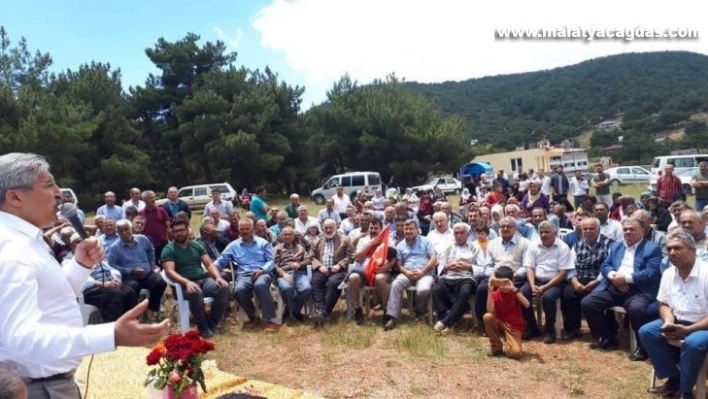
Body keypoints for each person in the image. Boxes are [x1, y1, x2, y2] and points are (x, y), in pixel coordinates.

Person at [0, 153, 168, 398]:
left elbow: (50, 301)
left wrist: (80, 265)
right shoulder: (11, 249)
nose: (60, 193)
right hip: (39, 388)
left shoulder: (25, 239)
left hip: (51, 383)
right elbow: (22, 339)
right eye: (49, 185)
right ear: (15, 197)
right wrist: (109, 334)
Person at [580, 217, 662, 361]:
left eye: (632, 229)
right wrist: (614, 276)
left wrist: (626, 278)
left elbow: (652, 273)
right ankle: (608, 336)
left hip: (638, 290)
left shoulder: (652, 248)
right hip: (614, 286)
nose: (628, 232)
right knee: (588, 303)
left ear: (641, 231)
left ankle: (643, 348)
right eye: (625, 229)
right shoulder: (616, 246)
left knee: (637, 309)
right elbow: (605, 265)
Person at [639, 230, 708, 399]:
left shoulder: (706, 273)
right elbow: (664, 304)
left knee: (693, 343)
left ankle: (685, 391)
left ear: (692, 250)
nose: (671, 253)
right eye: (669, 249)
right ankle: (674, 379)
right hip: (679, 321)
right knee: (647, 332)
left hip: (703, 326)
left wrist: (687, 329)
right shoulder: (669, 273)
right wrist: (669, 321)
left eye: (677, 248)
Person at [162, 219, 230, 338]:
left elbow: (209, 264)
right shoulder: (168, 249)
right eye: (176, 231)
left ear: (187, 230)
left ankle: (212, 323)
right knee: (195, 292)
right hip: (182, 285)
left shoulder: (196, 245)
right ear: (172, 232)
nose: (179, 233)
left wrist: (218, 277)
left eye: (182, 230)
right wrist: (187, 282)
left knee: (223, 288)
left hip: (202, 280)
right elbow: (170, 271)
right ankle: (202, 326)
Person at [215, 218, 281, 332]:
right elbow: (220, 261)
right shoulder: (233, 245)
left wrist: (261, 270)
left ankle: (272, 320)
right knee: (238, 291)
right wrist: (211, 269)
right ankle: (254, 317)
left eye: (247, 228)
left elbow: (271, 261)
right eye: (242, 229)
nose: (244, 231)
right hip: (244, 275)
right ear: (239, 230)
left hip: (262, 273)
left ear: (252, 229)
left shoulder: (263, 243)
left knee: (260, 285)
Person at [106, 219, 166, 321]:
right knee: (133, 288)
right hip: (129, 277)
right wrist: (129, 270)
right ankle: (135, 315)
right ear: (117, 232)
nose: (124, 232)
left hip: (147, 273)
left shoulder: (143, 239)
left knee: (160, 282)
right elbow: (111, 265)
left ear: (131, 229)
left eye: (126, 229)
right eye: (121, 231)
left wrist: (151, 263)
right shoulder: (114, 248)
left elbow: (150, 249)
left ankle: (151, 308)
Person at [432, 223, 478, 334]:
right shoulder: (448, 247)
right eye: (456, 233)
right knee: (436, 290)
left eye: (462, 233)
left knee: (465, 291)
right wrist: (447, 267)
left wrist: (468, 266)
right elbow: (441, 266)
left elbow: (482, 267)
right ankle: (446, 320)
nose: (459, 236)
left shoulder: (474, 247)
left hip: (466, 277)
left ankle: (446, 321)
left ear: (468, 234)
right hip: (449, 276)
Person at [483, 266, 531, 360]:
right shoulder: (495, 294)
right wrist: (490, 291)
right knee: (487, 316)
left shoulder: (516, 292)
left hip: (513, 326)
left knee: (515, 353)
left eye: (506, 282)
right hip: (499, 322)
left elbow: (527, 304)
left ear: (512, 280)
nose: (503, 286)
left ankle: (509, 342)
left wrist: (514, 289)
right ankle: (496, 346)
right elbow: (490, 310)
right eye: (500, 283)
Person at [273, 227, 312, 322]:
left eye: (290, 234)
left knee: (306, 289)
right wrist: (282, 274)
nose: (287, 236)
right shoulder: (277, 248)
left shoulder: (300, 247)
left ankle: (289, 310)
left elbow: (308, 260)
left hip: (299, 272)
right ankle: (295, 312)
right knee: (286, 288)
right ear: (282, 236)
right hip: (284, 273)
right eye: (285, 234)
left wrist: (299, 264)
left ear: (294, 236)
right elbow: (272, 263)